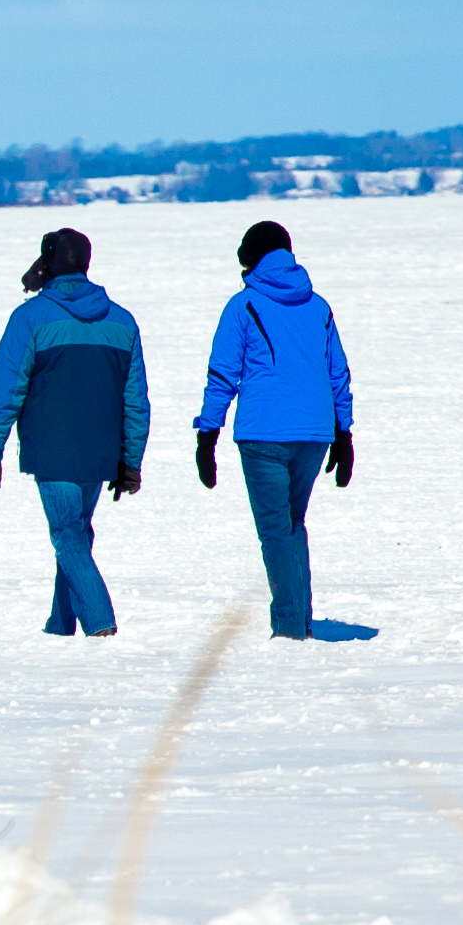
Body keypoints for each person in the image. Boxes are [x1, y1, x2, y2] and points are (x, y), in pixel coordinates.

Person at [0, 222, 149, 636]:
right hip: (102, 453)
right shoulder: (123, 322)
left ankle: (100, 624)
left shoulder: (30, 318)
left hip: (53, 452)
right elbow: (136, 401)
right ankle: (59, 626)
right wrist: (130, 461)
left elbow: (6, 392)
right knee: (76, 534)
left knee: (68, 535)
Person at [191, 216, 357, 638]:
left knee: (275, 530)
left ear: (252, 258)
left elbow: (223, 373)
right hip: (316, 432)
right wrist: (344, 433)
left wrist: (207, 436)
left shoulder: (243, 305)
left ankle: (289, 629)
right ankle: (298, 619)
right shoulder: (317, 305)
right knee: (292, 524)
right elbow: (337, 371)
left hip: (263, 433)